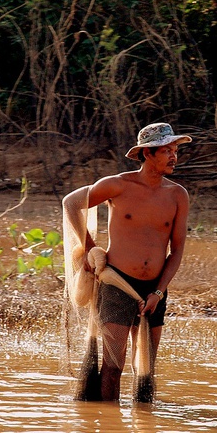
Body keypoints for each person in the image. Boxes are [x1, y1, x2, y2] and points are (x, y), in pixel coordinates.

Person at [63, 122, 191, 401]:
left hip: (155, 289)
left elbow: (177, 250)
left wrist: (158, 292)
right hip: (117, 282)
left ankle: (144, 429)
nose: (173, 156)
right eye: (166, 150)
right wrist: (89, 248)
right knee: (113, 367)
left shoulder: (177, 195)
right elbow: (71, 203)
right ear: (146, 153)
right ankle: (110, 429)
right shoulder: (118, 185)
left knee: (145, 368)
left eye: (175, 150)